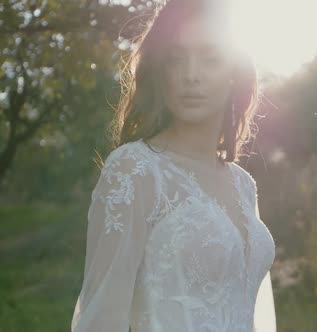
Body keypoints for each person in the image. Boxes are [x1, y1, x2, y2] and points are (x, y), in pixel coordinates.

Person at [70, 0, 276, 330]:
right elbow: (103, 316)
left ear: (234, 74)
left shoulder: (243, 184)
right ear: (159, 71)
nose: (190, 75)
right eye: (175, 60)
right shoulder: (135, 169)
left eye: (210, 59)